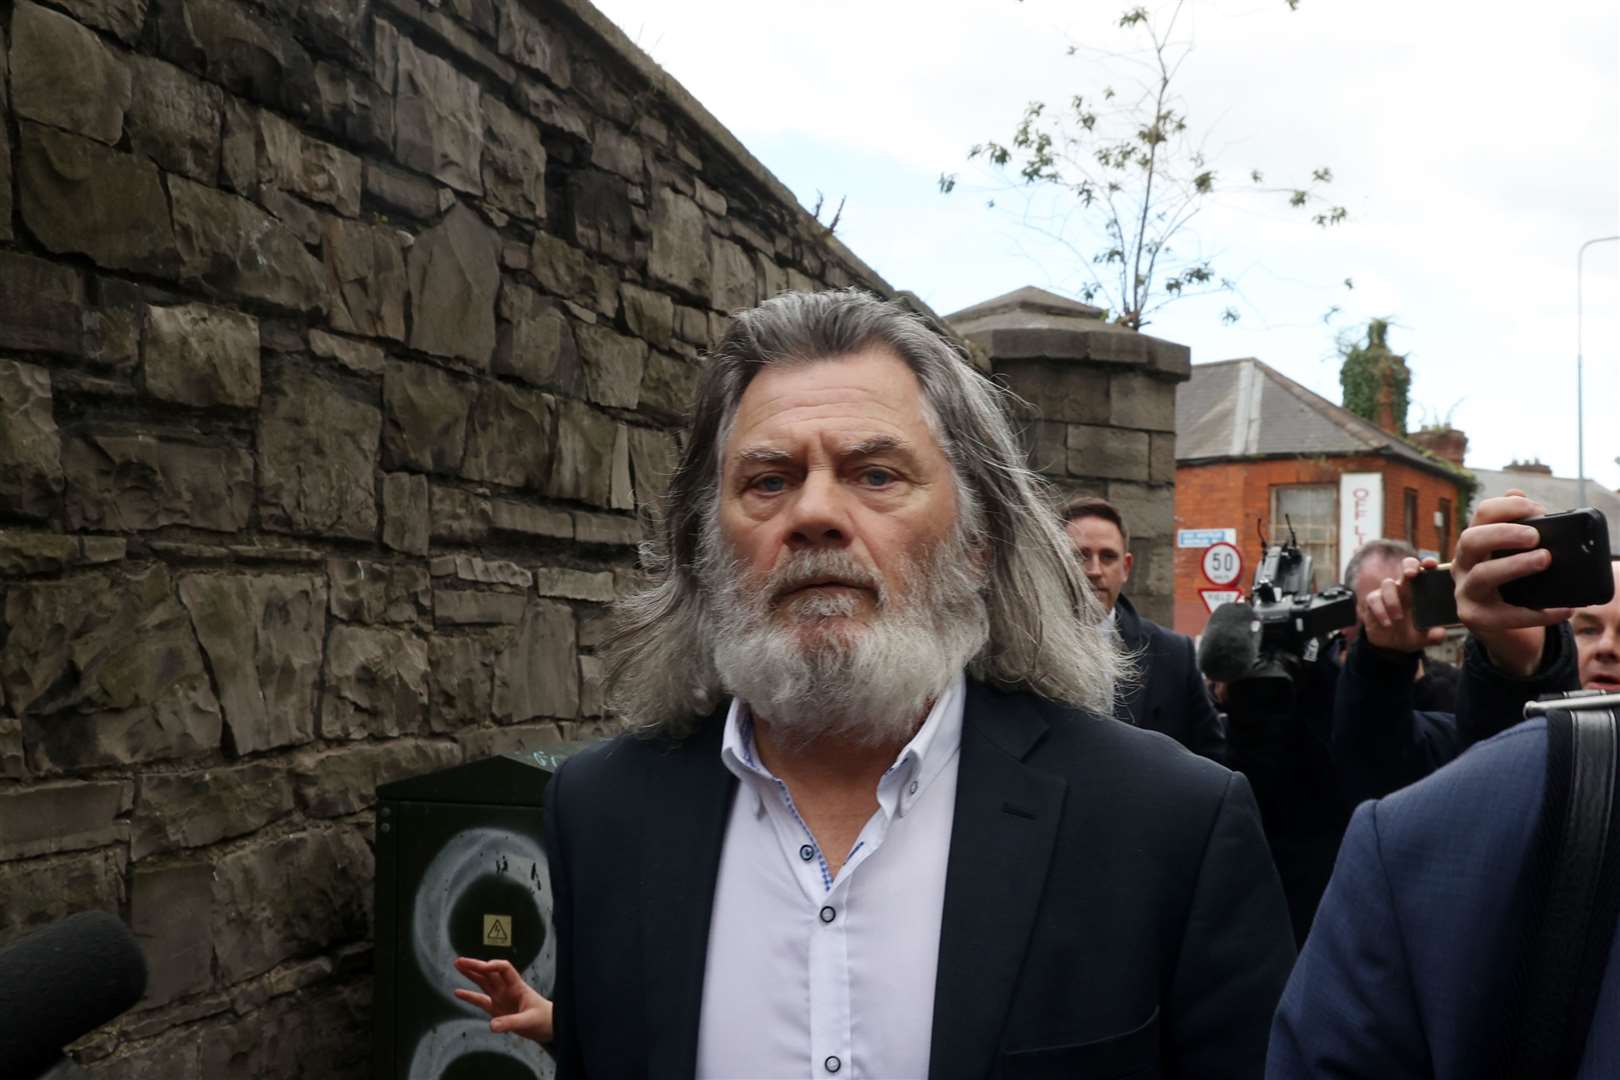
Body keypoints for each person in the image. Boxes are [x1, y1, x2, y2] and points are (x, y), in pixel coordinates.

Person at [456, 290, 1295, 1079]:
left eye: (875, 475)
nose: (813, 513)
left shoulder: (1167, 825)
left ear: (977, 541)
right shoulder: (602, 812)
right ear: (706, 550)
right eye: (769, 480)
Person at [1268, 492, 1608, 1079]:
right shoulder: (1461, 783)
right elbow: (1394, 768)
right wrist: (1511, 665)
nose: (1609, 649)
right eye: (1586, 627)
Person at [1063, 495, 1226, 761]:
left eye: (1107, 557)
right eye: (1080, 556)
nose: (1094, 570)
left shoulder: (1174, 655)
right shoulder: (1022, 651)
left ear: (1125, 567)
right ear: (1055, 563)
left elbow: (1212, 759)